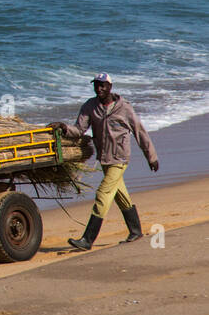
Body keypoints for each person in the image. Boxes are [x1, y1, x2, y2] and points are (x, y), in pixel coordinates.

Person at [50, 73, 158, 251]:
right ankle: (136, 231)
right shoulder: (90, 106)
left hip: (120, 158)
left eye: (103, 85)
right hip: (105, 159)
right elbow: (79, 129)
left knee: (103, 194)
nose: (99, 89)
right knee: (120, 194)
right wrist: (64, 128)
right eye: (96, 85)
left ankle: (87, 239)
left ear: (110, 87)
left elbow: (140, 132)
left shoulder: (125, 108)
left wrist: (151, 157)